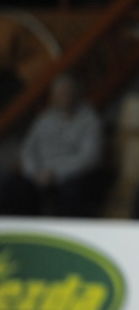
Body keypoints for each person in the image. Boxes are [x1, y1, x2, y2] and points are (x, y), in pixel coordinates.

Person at [18, 74, 103, 216]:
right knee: (12, 186)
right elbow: (28, 149)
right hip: (39, 174)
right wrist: (33, 172)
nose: (64, 97)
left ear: (76, 94)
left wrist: (55, 173)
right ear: (53, 97)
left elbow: (89, 157)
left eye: (67, 93)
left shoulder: (89, 120)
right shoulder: (44, 119)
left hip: (71, 175)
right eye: (60, 94)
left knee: (72, 190)